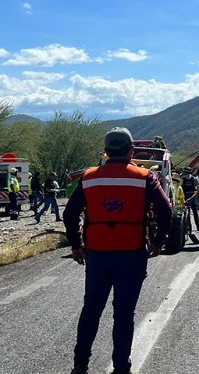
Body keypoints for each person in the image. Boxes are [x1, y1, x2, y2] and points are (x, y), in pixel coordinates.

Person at [63, 127, 171, 374]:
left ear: (106, 152)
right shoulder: (144, 176)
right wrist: (157, 241)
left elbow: (70, 213)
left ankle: (80, 363)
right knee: (124, 314)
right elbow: (165, 210)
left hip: (98, 255)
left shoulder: (89, 177)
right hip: (131, 254)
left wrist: (76, 245)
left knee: (91, 310)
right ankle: (122, 367)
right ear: (131, 151)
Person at [181, 168, 199, 232]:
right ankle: (198, 226)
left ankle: (188, 227)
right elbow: (198, 188)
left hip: (186, 197)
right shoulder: (194, 178)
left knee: (187, 213)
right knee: (195, 212)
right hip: (193, 197)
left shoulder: (182, 178)